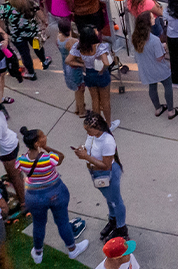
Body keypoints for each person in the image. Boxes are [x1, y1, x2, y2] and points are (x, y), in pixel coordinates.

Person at [16, 127, 89, 262]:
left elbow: (18, 169)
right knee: (62, 221)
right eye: (42, 136)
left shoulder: (21, 160)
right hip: (56, 193)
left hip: (34, 197)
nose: (45, 136)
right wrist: (46, 147)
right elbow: (60, 157)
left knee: (38, 224)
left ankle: (38, 253)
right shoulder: (48, 158)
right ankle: (72, 249)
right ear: (37, 143)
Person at [73, 112, 128, 240]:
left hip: (107, 174)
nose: (87, 133)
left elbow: (106, 165)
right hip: (96, 173)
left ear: (98, 128)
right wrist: (83, 150)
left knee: (116, 201)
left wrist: (86, 157)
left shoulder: (108, 141)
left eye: (89, 130)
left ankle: (122, 229)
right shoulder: (93, 136)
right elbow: (90, 148)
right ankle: (113, 220)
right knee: (109, 199)